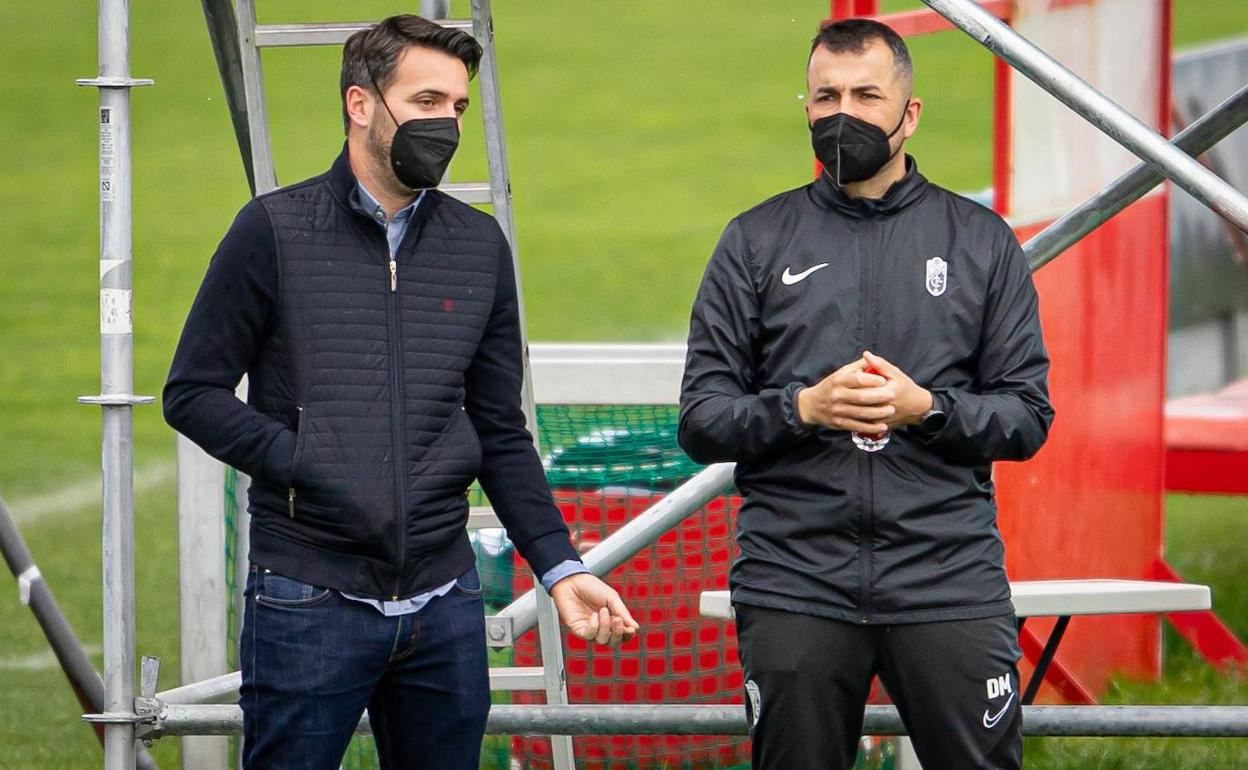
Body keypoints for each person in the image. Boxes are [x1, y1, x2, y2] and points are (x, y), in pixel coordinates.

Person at [164, 15, 637, 770]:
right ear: (361, 104)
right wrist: (304, 459)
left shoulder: (479, 247)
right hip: (307, 597)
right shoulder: (273, 231)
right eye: (425, 102)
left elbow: (499, 427)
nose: (447, 124)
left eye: (456, 106)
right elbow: (192, 392)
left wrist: (560, 566)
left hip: (443, 605)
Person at [678, 18, 1053, 770]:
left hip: (947, 578)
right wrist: (801, 409)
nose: (842, 112)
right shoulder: (755, 240)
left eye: (865, 94)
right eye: (826, 96)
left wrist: (930, 409)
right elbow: (702, 418)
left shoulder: (980, 241)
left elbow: (1026, 415)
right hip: (795, 582)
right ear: (807, 107)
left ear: (908, 114)